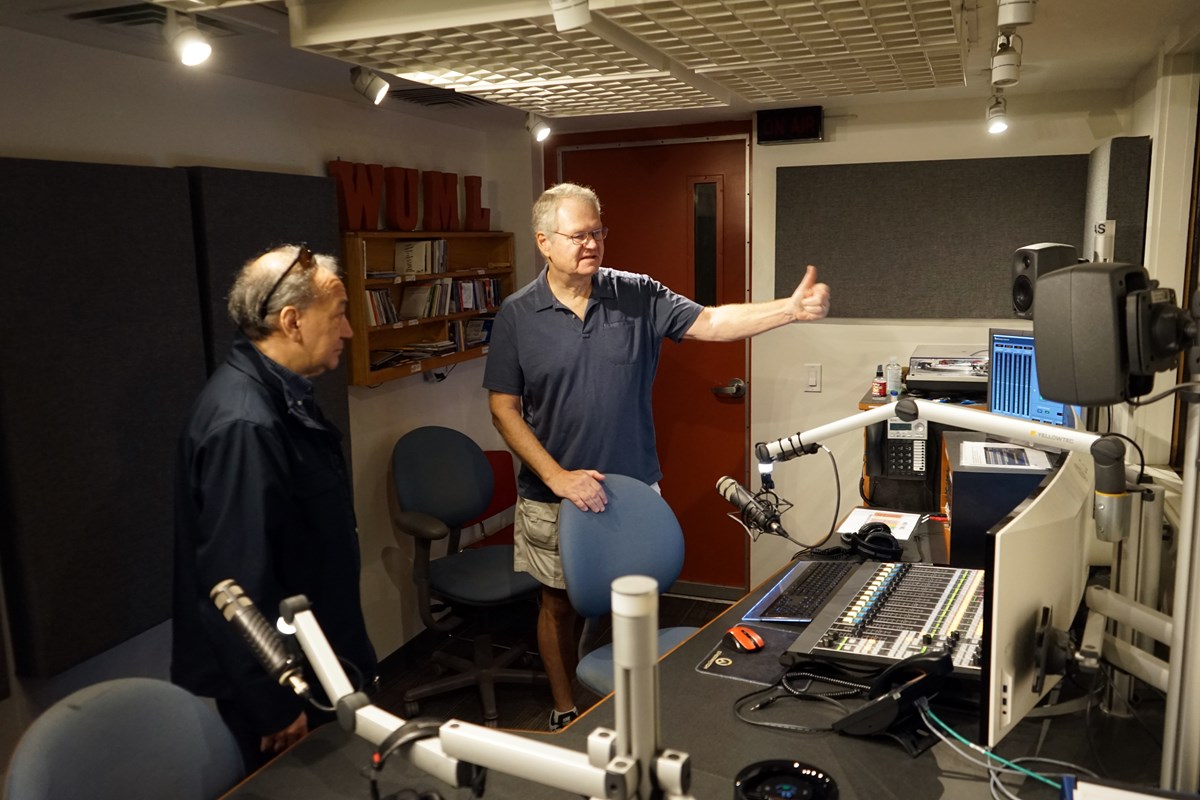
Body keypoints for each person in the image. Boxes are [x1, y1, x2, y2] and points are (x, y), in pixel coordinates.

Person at [482, 183, 831, 730]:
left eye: (598, 232)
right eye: (579, 235)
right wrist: (557, 476)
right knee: (557, 604)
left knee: (631, 602)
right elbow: (503, 408)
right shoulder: (517, 314)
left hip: (631, 490)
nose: (592, 243)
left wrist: (787, 310)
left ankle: (626, 702)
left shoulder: (637, 293)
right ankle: (565, 708)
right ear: (544, 242)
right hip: (551, 492)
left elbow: (713, 322)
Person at [172, 243, 377, 772]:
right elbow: (235, 585)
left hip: (320, 660)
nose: (349, 331)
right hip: (288, 687)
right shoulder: (245, 424)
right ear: (292, 321)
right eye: (338, 316)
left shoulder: (282, 396)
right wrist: (275, 704)